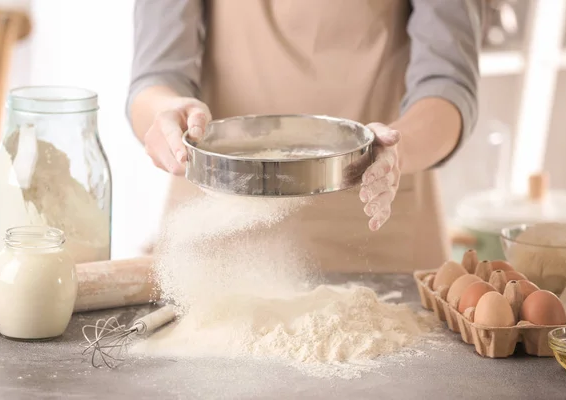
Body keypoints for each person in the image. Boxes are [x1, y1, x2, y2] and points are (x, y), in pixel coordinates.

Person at [127, 0, 481, 273]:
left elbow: (447, 83)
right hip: (219, 232)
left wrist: (396, 148)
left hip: (378, 228)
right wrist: (167, 112)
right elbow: (157, 76)